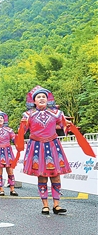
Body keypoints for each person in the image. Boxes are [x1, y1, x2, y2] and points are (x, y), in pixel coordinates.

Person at [19, 86, 71, 215]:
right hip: (37, 147)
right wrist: (22, 127)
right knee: (42, 176)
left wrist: (68, 125)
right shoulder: (28, 115)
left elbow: (65, 127)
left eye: (44, 97)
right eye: (38, 97)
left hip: (53, 145)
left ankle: (57, 205)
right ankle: (45, 205)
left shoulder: (57, 113)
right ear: (34, 101)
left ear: (48, 100)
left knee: (55, 175)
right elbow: (22, 132)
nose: (41, 99)